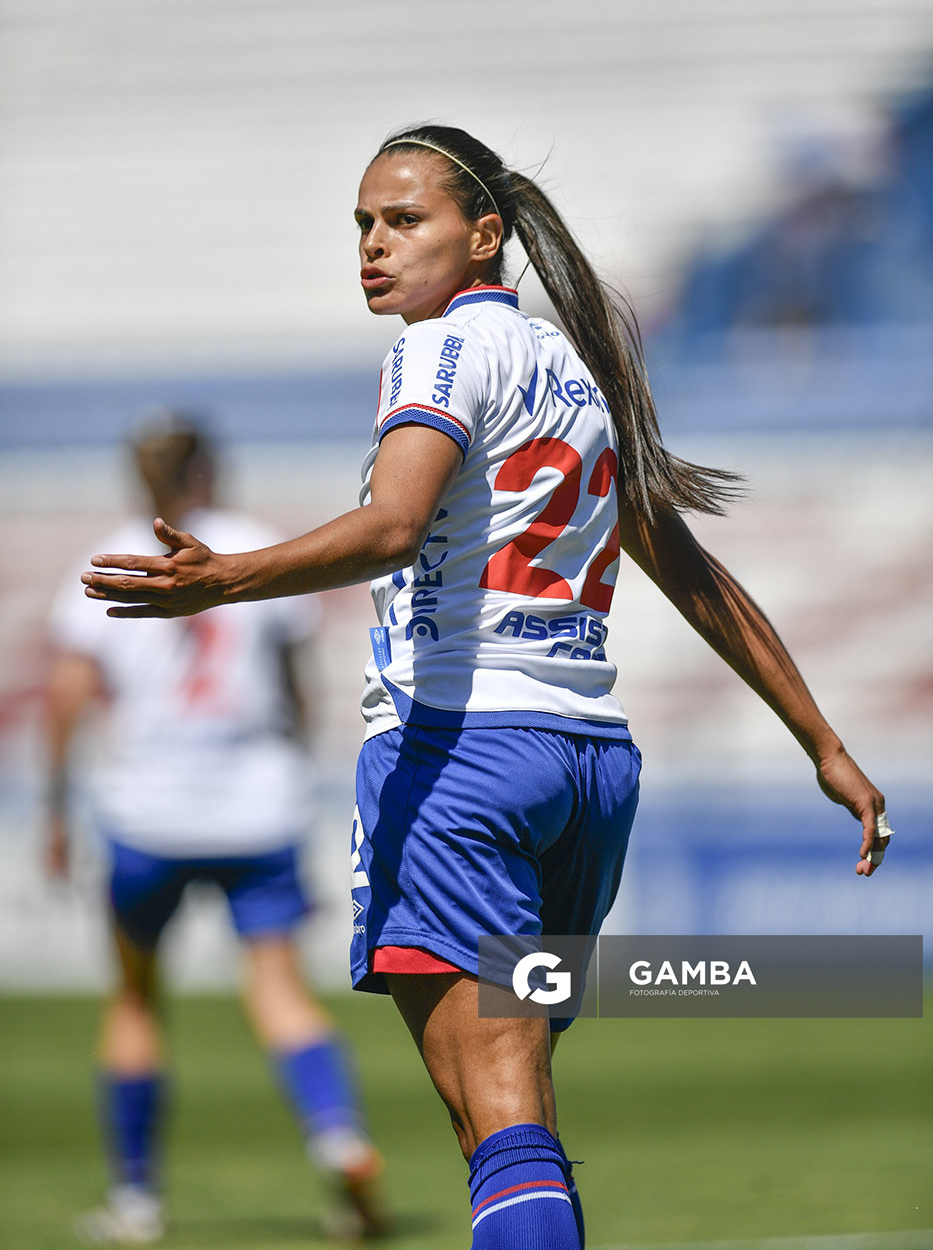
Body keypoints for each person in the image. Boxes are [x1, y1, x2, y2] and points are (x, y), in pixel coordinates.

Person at [81, 126, 892, 1250]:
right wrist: (823, 742)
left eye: (403, 219)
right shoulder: (573, 370)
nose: (372, 244)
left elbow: (394, 524)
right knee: (511, 1112)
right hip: (586, 768)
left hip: (460, 755)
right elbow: (688, 568)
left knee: (501, 1115)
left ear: (484, 234)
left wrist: (229, 577)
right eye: (363, 224)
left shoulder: (438, 350)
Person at [45, 413, 387, 1244]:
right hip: (255, 807)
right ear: (209, 469)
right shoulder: (257, 547)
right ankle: (337, 1136)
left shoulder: (104, 560)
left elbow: (66, 700)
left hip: (146, 811)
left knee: (135, 1000)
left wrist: (54, 810)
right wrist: (292, 769)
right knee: (278, 989)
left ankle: (135, 1200)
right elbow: (299, 691)